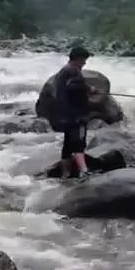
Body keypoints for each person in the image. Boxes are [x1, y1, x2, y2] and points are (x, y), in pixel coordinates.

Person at [50, 46, 93, 178]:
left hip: (66, 115)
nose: (84, 63)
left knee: (67, 146)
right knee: (78, 144)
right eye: (83, 60)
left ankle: (65, 174)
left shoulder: (64, 71)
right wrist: (88, 89)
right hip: (76, 116)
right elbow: (75, 87)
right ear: (77, 59)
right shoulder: (73, 71)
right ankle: (84, 171)